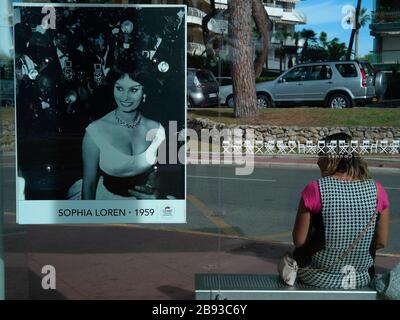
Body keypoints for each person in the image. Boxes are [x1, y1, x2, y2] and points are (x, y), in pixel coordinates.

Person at [292, 132, 390, 288]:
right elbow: (381, 241)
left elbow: (299, 240)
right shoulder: (377, 190)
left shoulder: (316, 189)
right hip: (359, 277)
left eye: (321, 155)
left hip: (317, 276)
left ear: (332, 158)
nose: (318, 162)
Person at [69, 62, 166, 200]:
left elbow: (157, 173)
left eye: (133, 90)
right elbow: (89, 186)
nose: (125, 97)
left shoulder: (158, 130)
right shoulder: (95, 132)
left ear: (145, 92)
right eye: (119, 88)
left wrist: (155, 191)